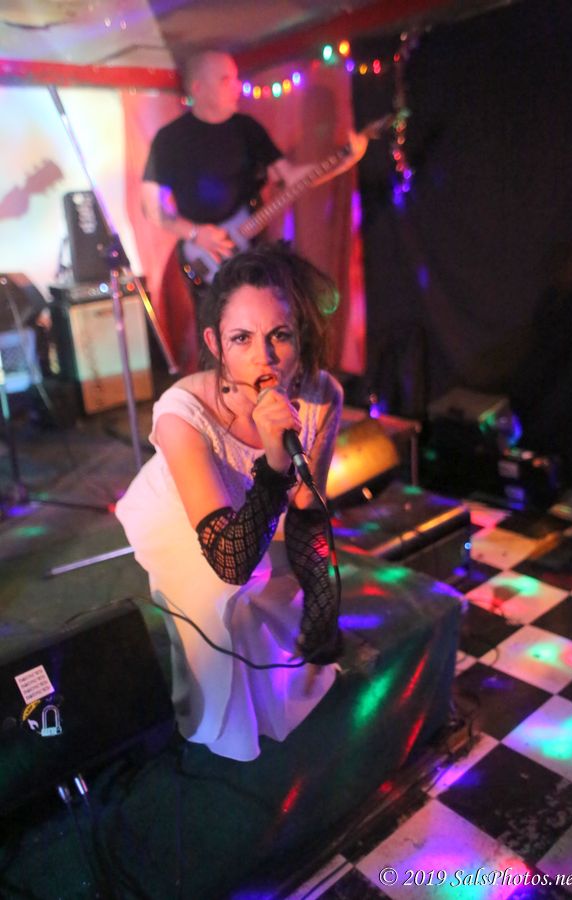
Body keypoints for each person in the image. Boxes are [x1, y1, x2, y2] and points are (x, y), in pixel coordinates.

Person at [115, 243, 344, 762]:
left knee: (281, 596)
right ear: (215, 343)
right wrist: (275, 465)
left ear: (300, 337)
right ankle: (223, 720)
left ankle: (278, 691)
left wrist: (323, 599)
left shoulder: (321, 396)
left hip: (255, 508)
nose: (265, 357)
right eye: (242, 338)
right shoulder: (182, 413)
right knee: (228, 602)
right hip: (184, 515)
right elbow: (231, 562)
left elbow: (307, 509)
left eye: (280, 335)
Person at [141, 49, 367, 370]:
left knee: (263, 321)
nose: (236, 86)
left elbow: (291, 178)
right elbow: (152, 207)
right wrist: (195, 233)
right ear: (198, 88)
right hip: (202, 256)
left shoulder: (247, 129)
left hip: (250, 247)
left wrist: (343, 161)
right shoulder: (170, 140)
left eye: (236, 78)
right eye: (226, 80)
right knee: (217, 332)